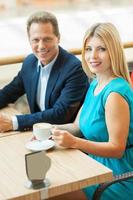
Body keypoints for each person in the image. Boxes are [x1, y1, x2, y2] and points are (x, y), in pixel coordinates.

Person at [52, 22, 133, 200]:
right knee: (50, 181)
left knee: (50, 194)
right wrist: (51, 129)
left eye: (101, 49)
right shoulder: (95, 82)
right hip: (96, 166)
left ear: (113, 52)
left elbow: (117, 149)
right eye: (88, 49)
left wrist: (74, 142)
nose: (92, 56)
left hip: (120, 176)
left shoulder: (114, 94)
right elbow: (77, 126)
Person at [0, 11, 88, 132]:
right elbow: (9, 92)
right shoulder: (30, 62)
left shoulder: (74, 69)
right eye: (35, 40)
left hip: (66, 139)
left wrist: (13, 122)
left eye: (47, 39)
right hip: (37, 135)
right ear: (29, 40)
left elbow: (60, 114)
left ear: (58, 38)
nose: (41, 46)